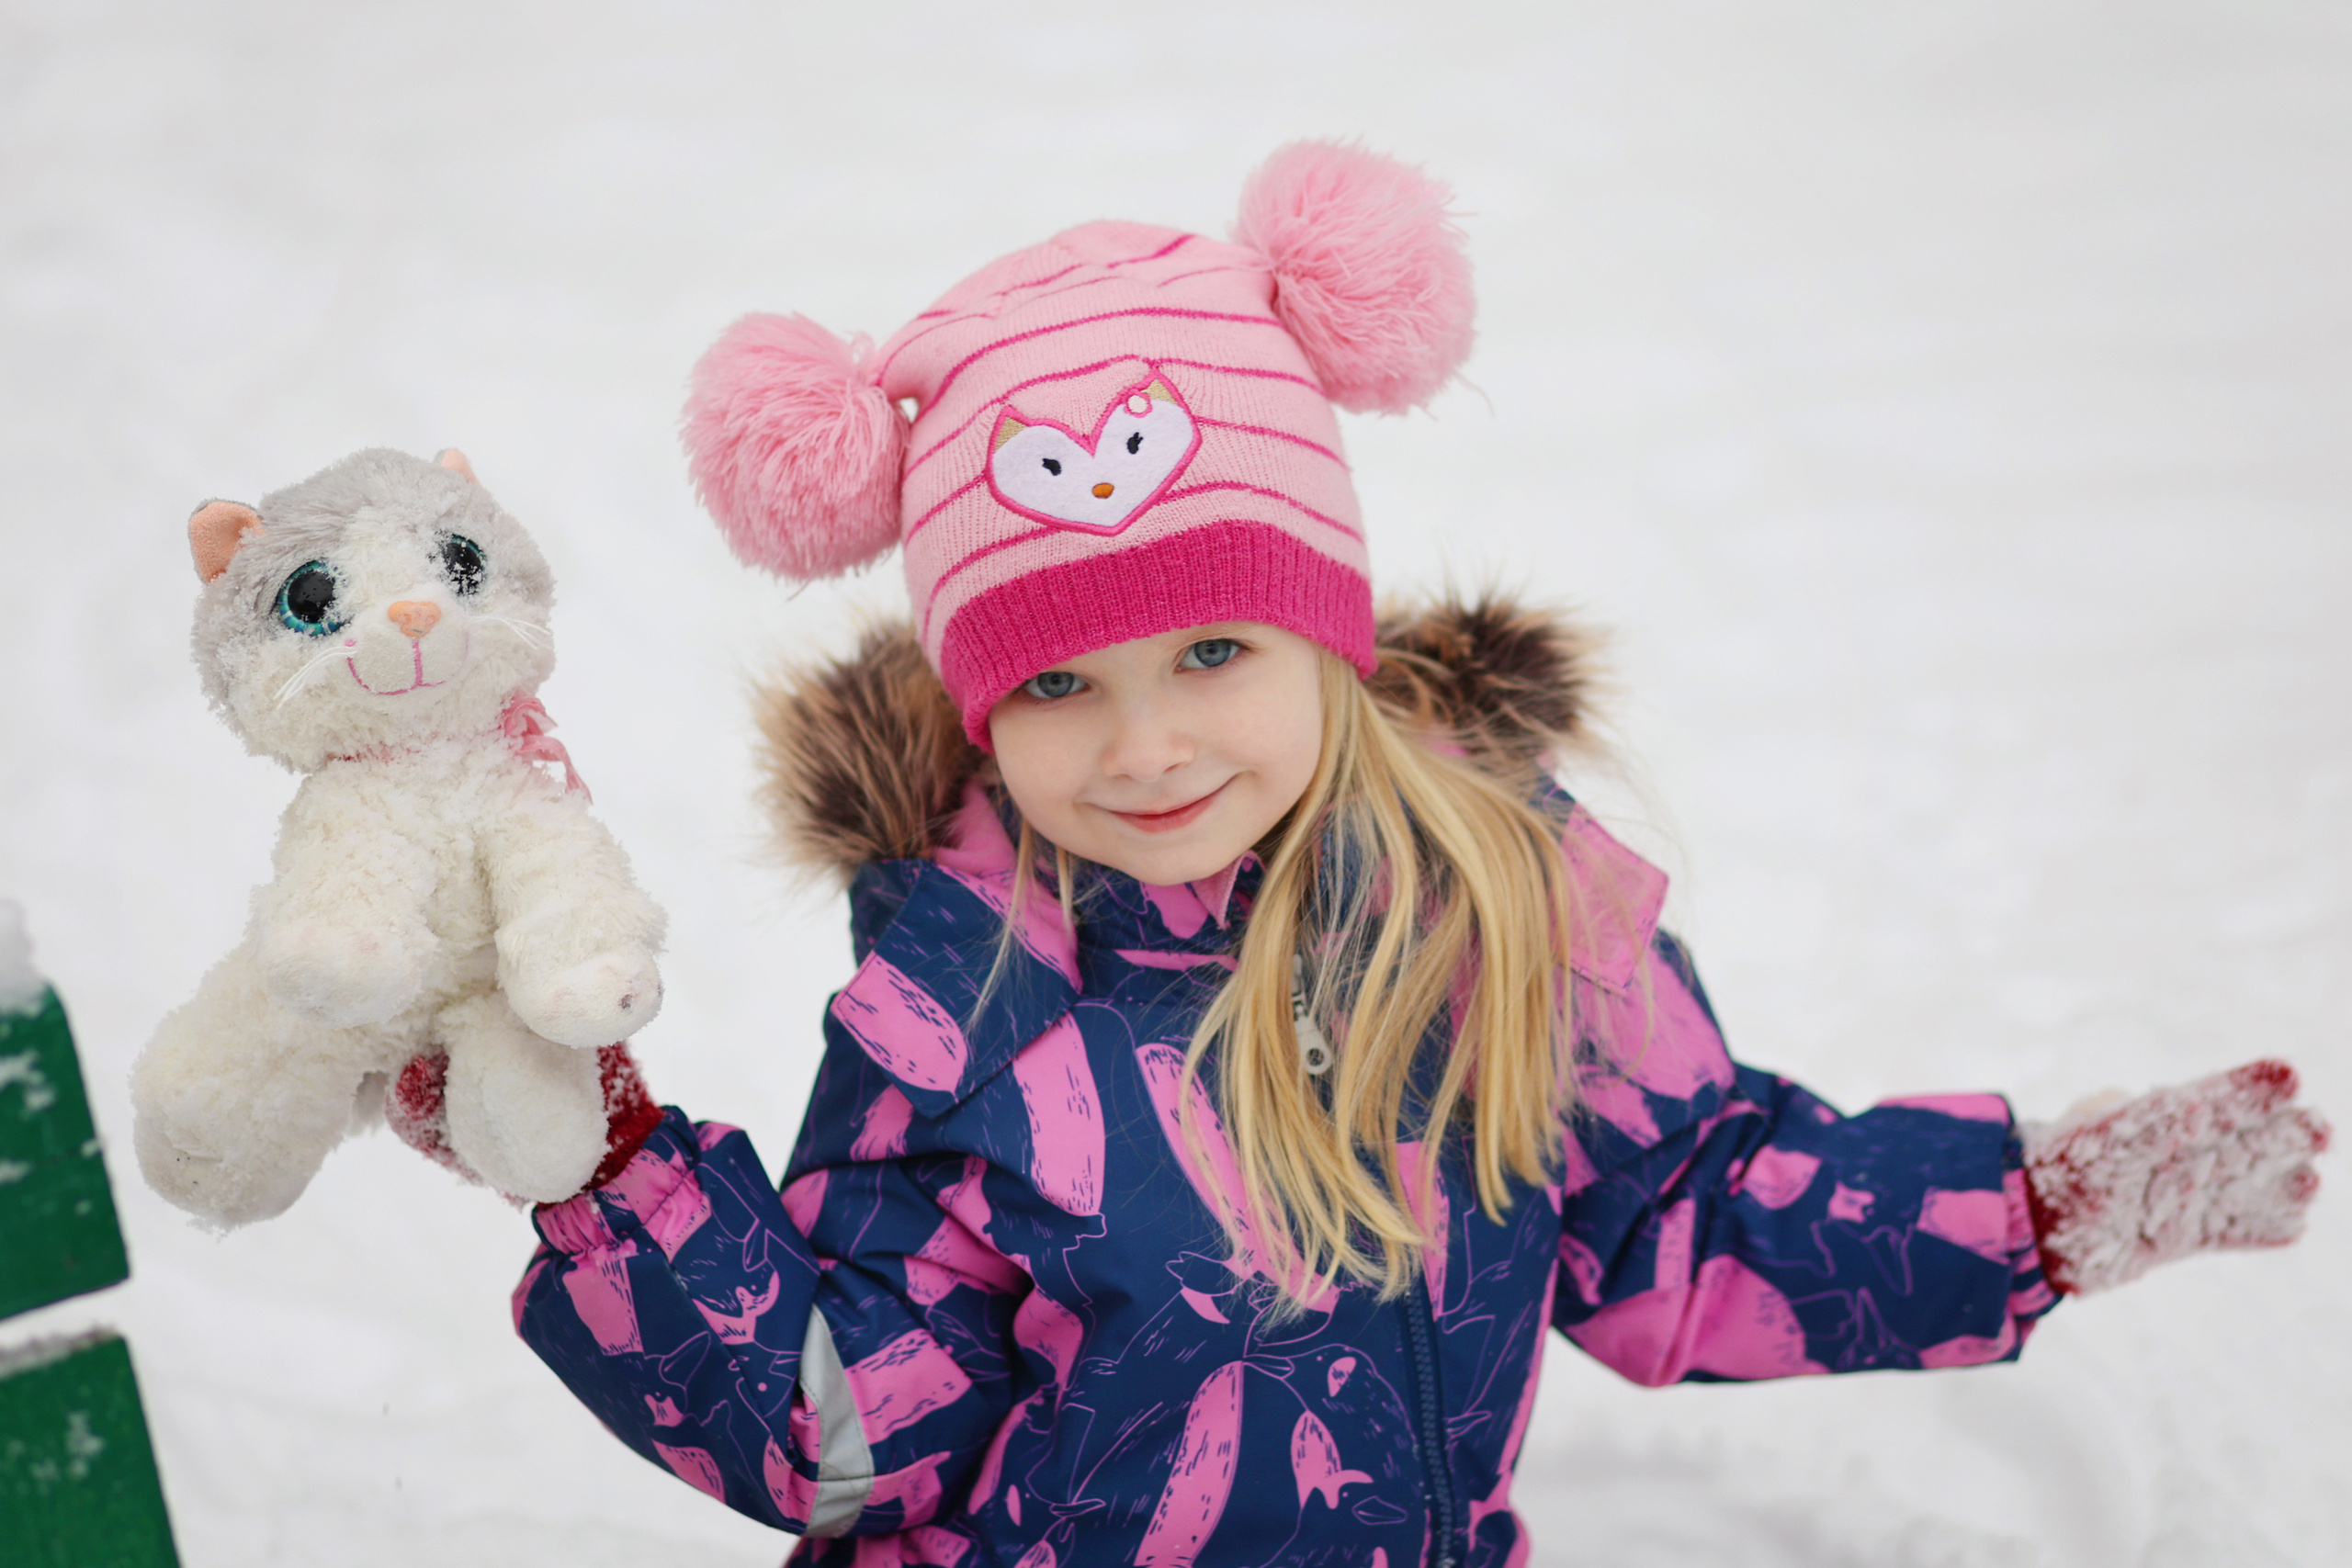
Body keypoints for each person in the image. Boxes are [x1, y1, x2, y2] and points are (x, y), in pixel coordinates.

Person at [388, 143, 2327, 1567]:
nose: (1142, 743)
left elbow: (1687, 1218)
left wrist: (2038, 1202)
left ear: (1322, 624)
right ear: (979, 704)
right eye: (1057, 680)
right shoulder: (967, 998)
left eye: (1211, 649)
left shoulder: (1495, 912)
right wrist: (616, 1181)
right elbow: (847, 1428)